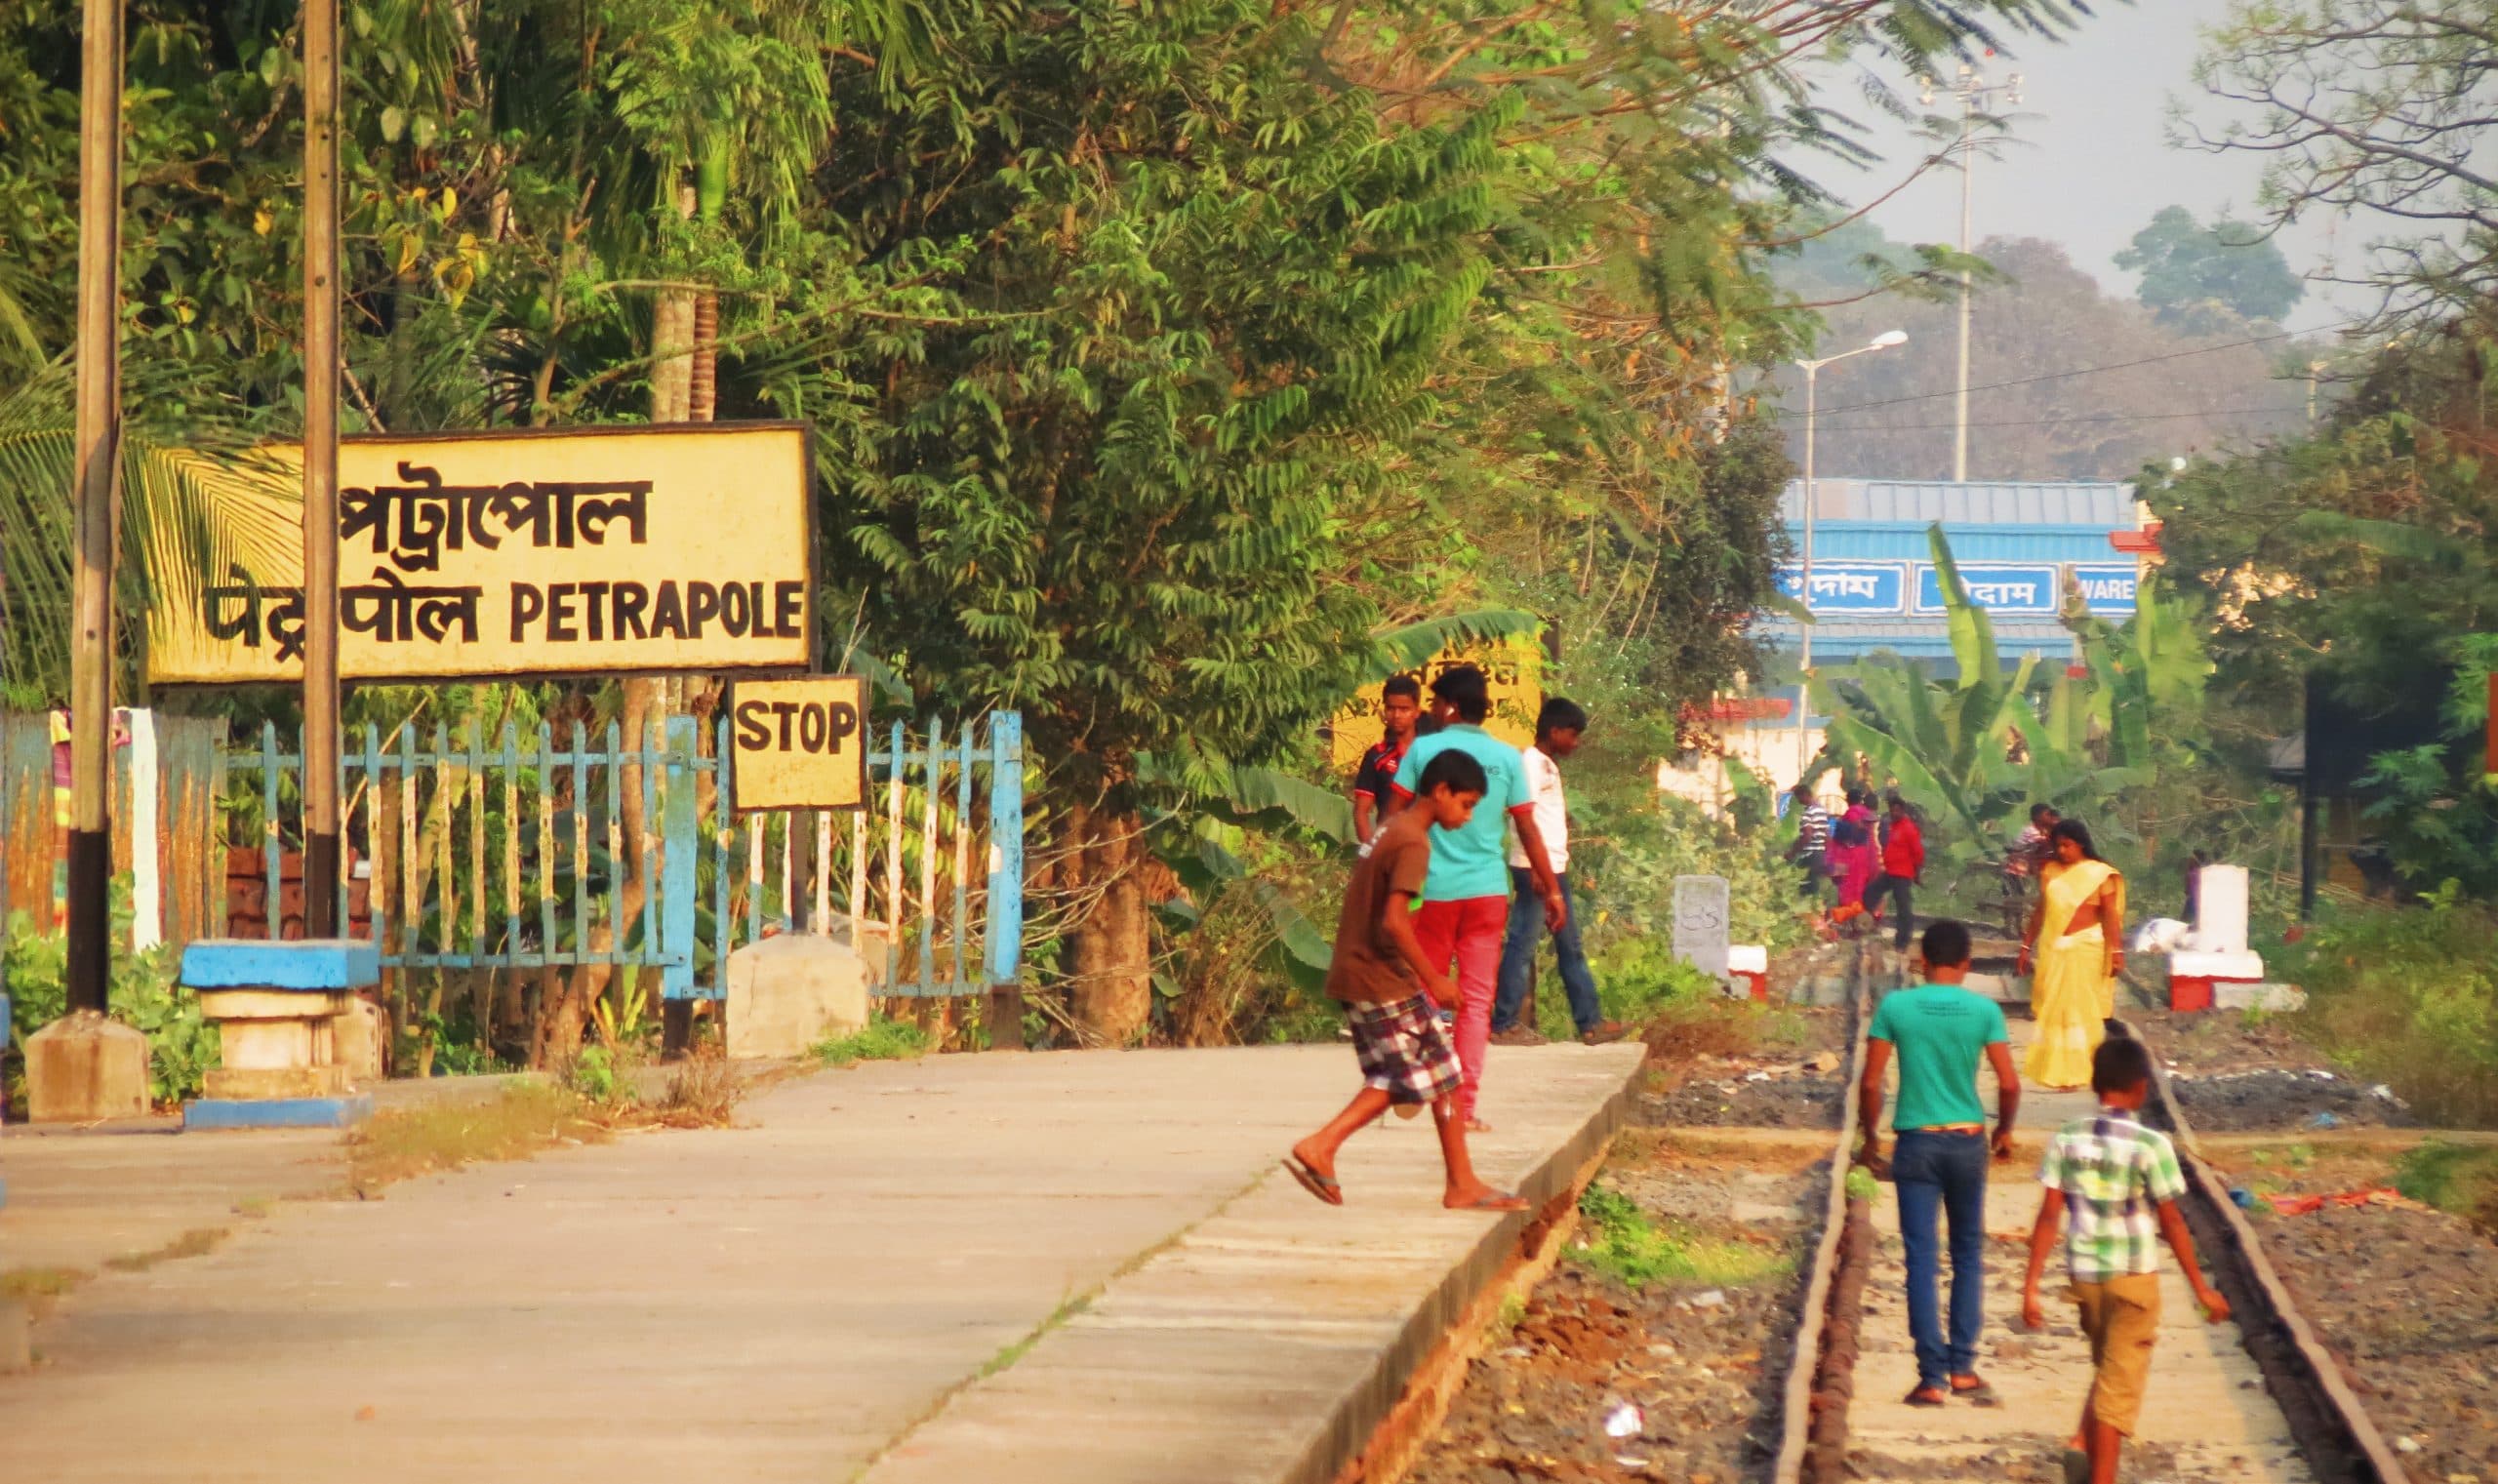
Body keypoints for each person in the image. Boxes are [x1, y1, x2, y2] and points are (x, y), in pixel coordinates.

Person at [1282, 748, 1530, 1214]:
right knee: (1407, 1078)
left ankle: (1461, 1182)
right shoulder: (1414, 843)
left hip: (1368, 973)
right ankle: (1323, 1144)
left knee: (1439, 1073)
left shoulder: (1388, 830)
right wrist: (1434, 978)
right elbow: (1396, 922)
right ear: (1440, 792)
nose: (1469, 814)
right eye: (1467, 803)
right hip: (1377, 976)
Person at [2021, 1037, 2231, 1484]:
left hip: (2086, 1278)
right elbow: (2172, 1222)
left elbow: (2049, 1214)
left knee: (2110, 1372)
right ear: (2140, 1088)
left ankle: (2081, 1443)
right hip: (2134, 1277)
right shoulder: (2151, 1145)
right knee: (2118, 1389)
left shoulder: (2068, 1137)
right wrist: (2201, 1288)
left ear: (2096, 1084)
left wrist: (2031, 1286)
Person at [1390, 665, 1564, 1135]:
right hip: (1487, 893)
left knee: (1426, 992)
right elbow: (1527, 827)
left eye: (1434, 703)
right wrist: (1550, 888)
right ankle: (1461, 1109)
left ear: (1449, 705)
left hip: (1432, 891)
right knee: (1475, 1002)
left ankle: (1418, 1084)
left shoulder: (1424, 749)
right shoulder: (1507, 758)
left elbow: (1394, 813)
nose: (1431, 711)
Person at [1858, 920, 2021, 1408]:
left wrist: (1870, 1138)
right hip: (1968, 1143)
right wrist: (2005, 1130)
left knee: (1922, 1260)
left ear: (1921, 961)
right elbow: (2010, 1083)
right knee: (1969, 1256)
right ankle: (1964, 1368)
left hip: (1917, 1144)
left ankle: (1931, 1378)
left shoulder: (1895, 1007)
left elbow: (1871, 1083)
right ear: (1967, 964)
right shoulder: (1984, 1010)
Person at [1490, 699, 1626, 1048]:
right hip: (1538, 869)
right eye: (1573, 734)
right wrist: (1539, 870)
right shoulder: (1531, 764)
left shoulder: (1547, 765)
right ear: (1555, 731)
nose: (1575, 742)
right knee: (1522, 944)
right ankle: (1503, 1022)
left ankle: (1590, 1023)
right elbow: (1525, 817)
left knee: (1571, 947)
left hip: (1554, 868)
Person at [2021, 820, 2127, 1091]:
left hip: (2087, 945)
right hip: (2056, 946)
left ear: (2081, 843)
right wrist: (2025, 946)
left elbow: (2111, 915)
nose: (2063, 851)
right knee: (2057, 1010)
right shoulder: (2051, 871)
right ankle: (2061, 1072)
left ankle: (2088, 1069)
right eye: (2058, 846)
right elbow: (2040, 911)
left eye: (2067, 845)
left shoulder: (2100, 874)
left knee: (2084, 1008)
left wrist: (2117, 950)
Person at [1350, 676, 1423, 850]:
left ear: (1417, 712)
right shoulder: (1376, 756)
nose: (1396, 715)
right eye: (1391, 708)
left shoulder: (1433, 755)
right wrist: (1371, 850)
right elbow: (1361, 811)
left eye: (1404, 709)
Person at [1861, 793, 1925, 951]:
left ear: (1902, 811)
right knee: (1870, 892)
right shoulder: (1894, 826)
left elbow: (1918, 853)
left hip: (1902, 874)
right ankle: (1865, 924)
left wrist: (1917, 874)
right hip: (1891, 872)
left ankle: (1902, 941)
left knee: (1903, 908)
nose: (1894, 813)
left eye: (1897, 811)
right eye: (1892, 811)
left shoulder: (1908, 828)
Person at [1785, 782, 1831, 899]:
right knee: (1815, 891)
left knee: (1804, 890)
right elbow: (1826, 835)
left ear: (1805, 795)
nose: (1798, 801)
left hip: (1809, 857)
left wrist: (1793, 853)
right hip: (1820, 855)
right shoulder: (1822, 811)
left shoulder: (1808, 814)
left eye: (1799, 797)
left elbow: (1807, 836)